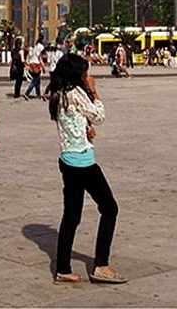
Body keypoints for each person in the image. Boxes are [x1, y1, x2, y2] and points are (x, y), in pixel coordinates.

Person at [48, 53, 126, 286]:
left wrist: (85, 128)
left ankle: (63, 268)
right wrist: (94, 91)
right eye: (85, 72)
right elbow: (99, 115)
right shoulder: (77, 92)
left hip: (67, 158)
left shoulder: (58, 94)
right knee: (110, 208)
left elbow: (72, 121)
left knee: (71, 216)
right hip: (83, 162)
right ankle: (101, 265)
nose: (88, 76)